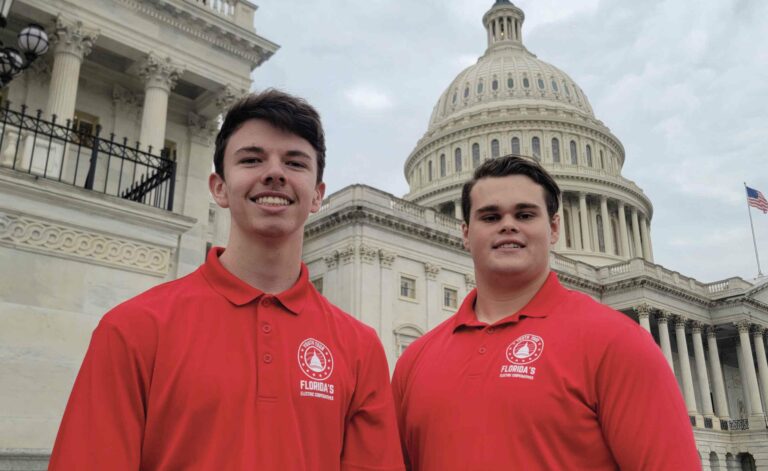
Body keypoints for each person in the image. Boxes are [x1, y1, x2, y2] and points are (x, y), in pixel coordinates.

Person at [50, 89, 405, 471]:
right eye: (252, 159)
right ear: (219, 188)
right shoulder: (132, 329)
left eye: (295, 162)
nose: (275, 173)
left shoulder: (360, 348)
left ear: (317, 196)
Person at [392, 155, 700, 470]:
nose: (508, 225)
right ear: (466, 233)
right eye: (490, 217)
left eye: (524, 214)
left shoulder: (618, 343)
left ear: (553, 228)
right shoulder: (413, 362)